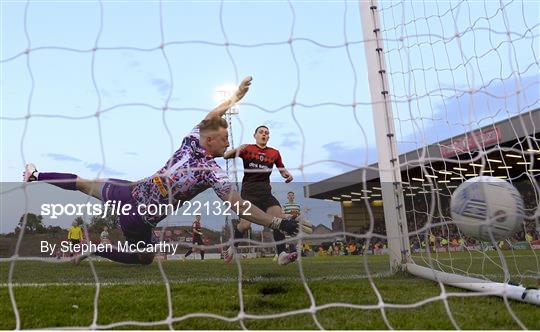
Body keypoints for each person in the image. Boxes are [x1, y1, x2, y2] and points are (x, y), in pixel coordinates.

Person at [23, 76, 312, 265]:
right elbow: (239, 205)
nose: (228, 143)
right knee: (146, 259)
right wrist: (276, 224)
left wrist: (234, 99)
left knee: (85, 184)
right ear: (210, 140)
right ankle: (93, 249)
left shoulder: (190, 139)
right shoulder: (212, 172)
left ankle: (36, 175)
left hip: (126, 193)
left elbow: (212, 116)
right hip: (139, 219)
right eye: (224, 138)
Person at [222, 124, 298, 265]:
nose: (264, 134)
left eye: (266, 133)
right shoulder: (248, 149)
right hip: (249, 193)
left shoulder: (274, 153)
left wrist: (286, 174)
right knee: (245, 225)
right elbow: (226, 155)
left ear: (268, 137)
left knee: (279, 219)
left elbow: (281, 169)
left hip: (265, 194)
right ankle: (232, 246)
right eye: (261, 132)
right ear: (255, 135)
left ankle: (281, 254)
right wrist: (238, 149)